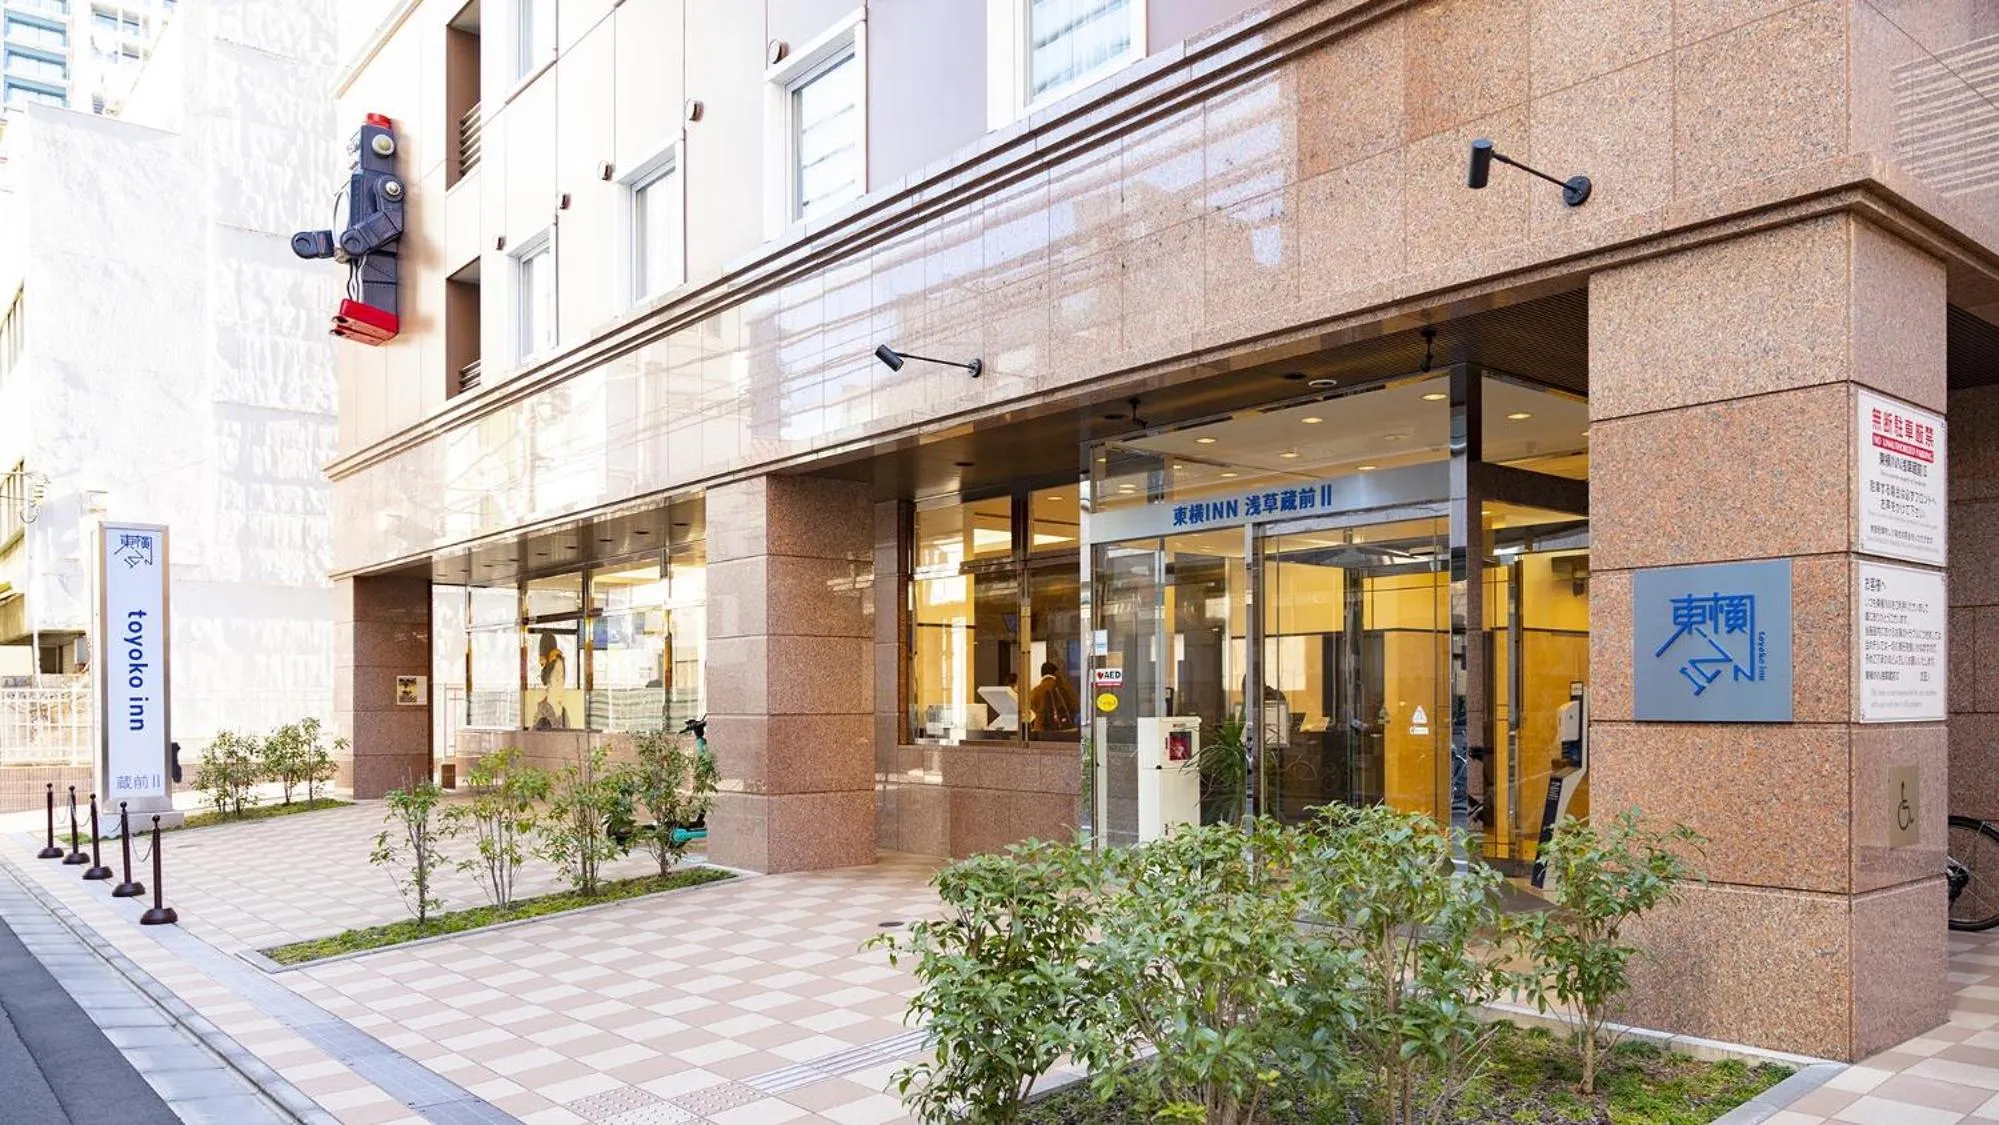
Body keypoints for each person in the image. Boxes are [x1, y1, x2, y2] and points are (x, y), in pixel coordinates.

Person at [1028, 661, 1078, 734]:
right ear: (1055, 673)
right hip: (1061, 728)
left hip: (1040, 729)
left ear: (1042, 674)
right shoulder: (1063, 688)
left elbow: (1032, 707)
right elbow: (1075, 705)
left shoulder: (1035, 691)